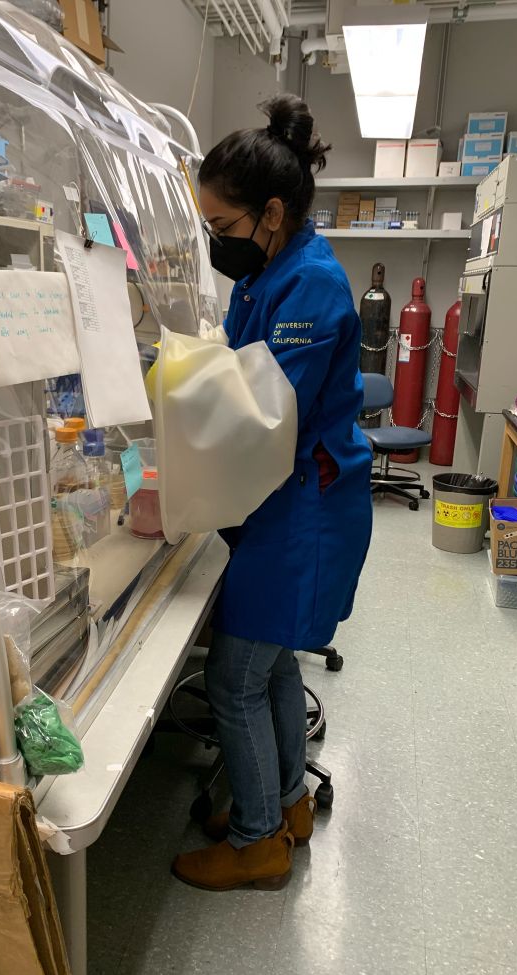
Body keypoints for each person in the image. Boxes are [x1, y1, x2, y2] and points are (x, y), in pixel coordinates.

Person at [171, 94, 373, 892]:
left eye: (223, 228)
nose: (218, 243)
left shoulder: (312, 287)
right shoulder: (267, 275)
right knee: (275, 665)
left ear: (273, 213)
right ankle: (285, 802)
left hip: (305, 509)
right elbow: (232, 367)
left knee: (235, 677)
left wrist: (179, 429)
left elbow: (266, 413)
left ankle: (257, 843)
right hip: (278, 500)